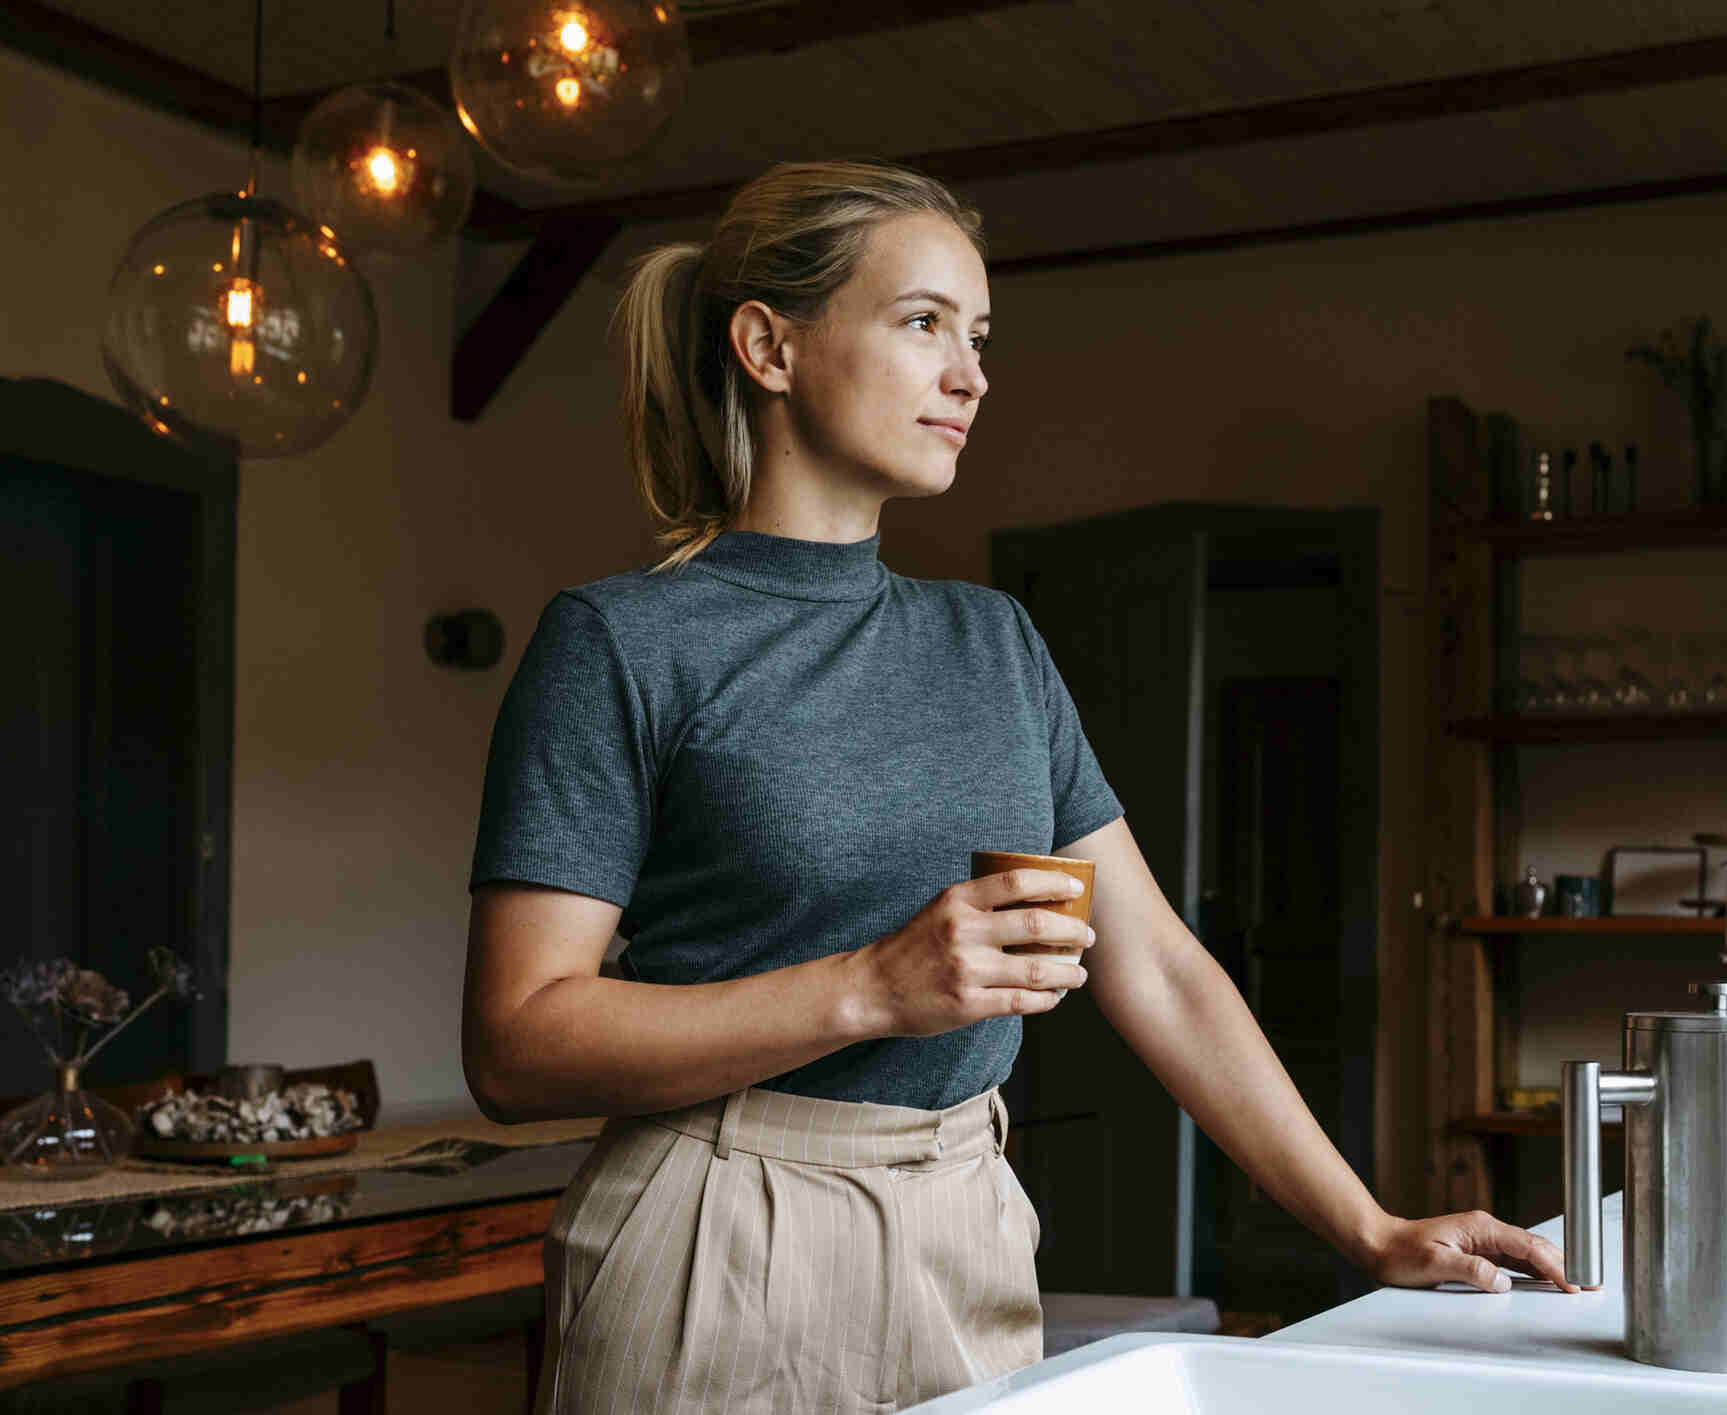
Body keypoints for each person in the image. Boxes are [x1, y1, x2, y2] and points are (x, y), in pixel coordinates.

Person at [462, 158, 1574, 1415]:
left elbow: (1153, 963)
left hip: (967, 1221)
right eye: (922, 321)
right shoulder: (621, 641)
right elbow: (519, 1039)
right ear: (770, 345)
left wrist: (1367, 1226)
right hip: (719, 1218)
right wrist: (870, 986)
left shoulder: (994, 643)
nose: (971, 374)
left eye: (979, 335)